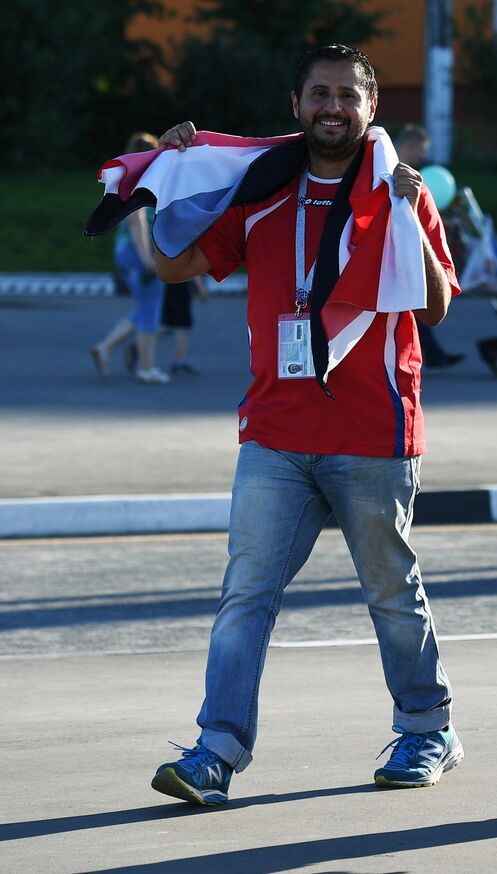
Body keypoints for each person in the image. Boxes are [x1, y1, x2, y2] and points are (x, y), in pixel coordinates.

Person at [142, 44, 463, 805]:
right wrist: (166, 181)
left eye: (347, 96)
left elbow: (436, 307)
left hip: (372, 433)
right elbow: (173, 266)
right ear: (296, 105)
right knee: (244, 597)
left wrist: (405, 211)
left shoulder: (400, 192)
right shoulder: (259, 191)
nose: (332, 107)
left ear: (370, 107)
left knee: (391, 593)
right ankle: (215, 751)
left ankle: (428, 729)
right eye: (319, 93)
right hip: (277, 437)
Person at [91, 132, 170, 384]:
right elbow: (136, 221)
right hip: (138, 253)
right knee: (150, 310)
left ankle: (106, 347)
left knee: (145, 308)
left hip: (124, 251)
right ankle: (146, 368)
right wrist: (147, 257)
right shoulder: (142, 181)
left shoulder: (124, 178)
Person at [398, 123, 464, 369]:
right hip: (404, 257)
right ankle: (434, 355)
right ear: (411, 145)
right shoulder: (388, 170)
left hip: (411, 255)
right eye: (422, 150)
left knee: (421, 308)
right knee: (418, 307)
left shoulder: (408, 176)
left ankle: (434, 355)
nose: (423, 156)